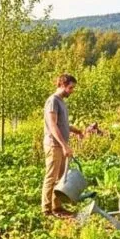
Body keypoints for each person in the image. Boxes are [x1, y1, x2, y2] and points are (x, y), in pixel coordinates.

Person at [41, 73, 83, 215]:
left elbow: (62, 123)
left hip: (60, 145)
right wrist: (64, 145)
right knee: (51, 177)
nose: (72, 91)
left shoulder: (61, 102)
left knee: (60, 178)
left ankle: (56, 207)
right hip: (54, 145)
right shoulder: (52, 101)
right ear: (62, 85)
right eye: (70, 88)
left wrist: (76, 130)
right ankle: (46, 210)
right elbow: (52, 125)